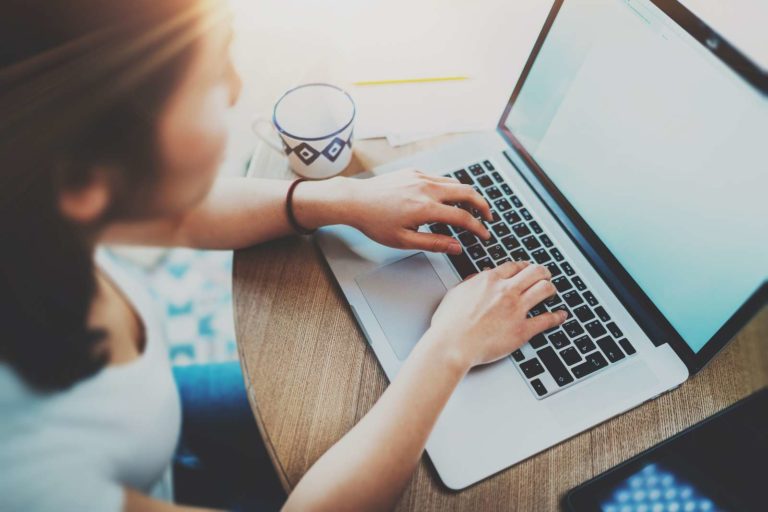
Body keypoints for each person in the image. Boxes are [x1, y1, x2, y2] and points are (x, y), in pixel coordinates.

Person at [0, 1, 567, 511]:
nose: (233, 87)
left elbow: (171, 207)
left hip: (149, 421)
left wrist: (340, 197)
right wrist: (449, 348)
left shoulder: (33, 196)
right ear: (85, 178)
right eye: (208, 79)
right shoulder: (34, 478)